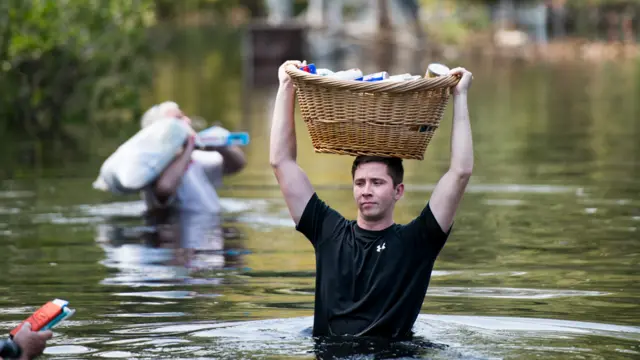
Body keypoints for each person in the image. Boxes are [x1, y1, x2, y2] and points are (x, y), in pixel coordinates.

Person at [269, 60, 473, 339]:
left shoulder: (418, 241)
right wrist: (286, 86)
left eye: (377, 183)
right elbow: (281, 162)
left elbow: (460, 172)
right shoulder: (328, 231)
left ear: (397, 191)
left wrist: (460, 96)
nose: (366, 190)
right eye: (360, 183)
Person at [139, 101, 247, 214]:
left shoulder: (195, 158)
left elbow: (237, 165)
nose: (188, 121)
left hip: (209, 227)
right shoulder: (153, 166)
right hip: (173, 227)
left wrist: (220, 145)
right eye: (179, 118)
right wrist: (189, 145)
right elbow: (165, 189)